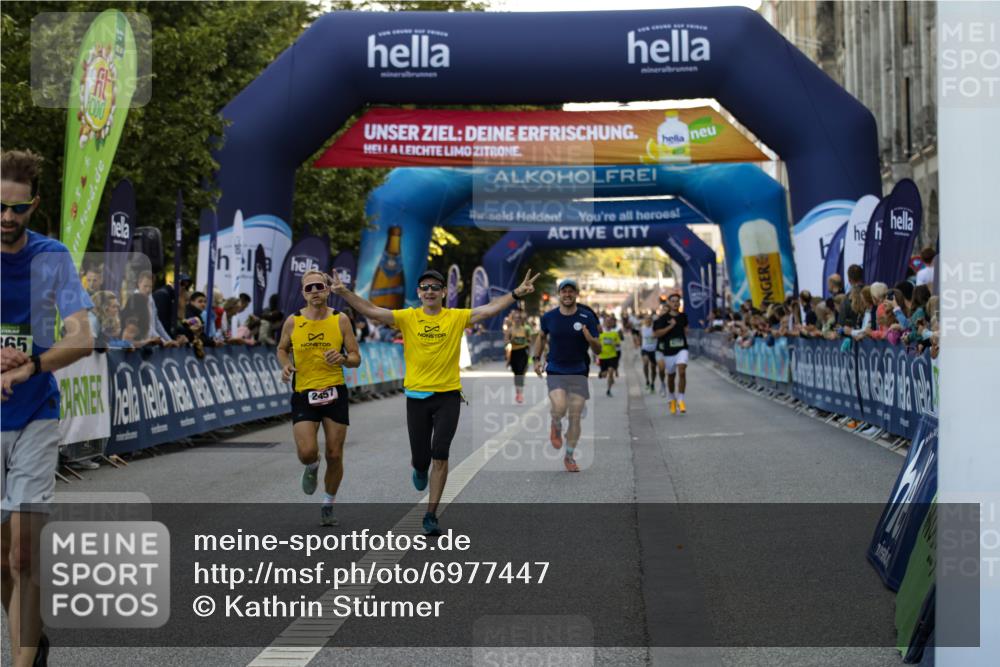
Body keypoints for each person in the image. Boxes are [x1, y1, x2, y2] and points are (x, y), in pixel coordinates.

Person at [332, 267, 539, 534]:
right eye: (425, 287)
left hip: (447, 396)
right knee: (421, 458)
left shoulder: (456, 317)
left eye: (435, 287)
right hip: (416, 397)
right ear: (419, 293)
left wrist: (514, 294)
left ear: (443, 292)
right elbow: (372, 311)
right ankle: (419, 468)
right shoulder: (407, 317)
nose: (429, 291)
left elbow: (487, 310)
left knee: (440, 454)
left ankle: (431, 515)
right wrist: (344, 292)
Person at [2, 149, 94, 666]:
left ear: (33, 205)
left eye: (17, 209)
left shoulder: (52, 256)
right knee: (0, 558)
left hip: (36, 413)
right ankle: (30, 640)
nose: (7, 218)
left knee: (24, 553)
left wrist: (30, 365)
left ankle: (20, 660)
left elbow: (82, 337)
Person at [276, 271, 361, 527]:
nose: (315, 291)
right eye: (309, 287)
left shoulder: (340, 319)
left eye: (319, 286)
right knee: (307, 451)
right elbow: (281, 348)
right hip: (304, 392)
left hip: (334, 391)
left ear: (327, 290)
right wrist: (285, 364)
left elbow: (356, 357)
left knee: (335, 454)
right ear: (303, 292)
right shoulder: (293, 321)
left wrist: (344, 358)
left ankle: (328, 502)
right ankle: (312, 467)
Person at [533, 278, 601, 473]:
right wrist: (536, 359)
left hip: (579, 370)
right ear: (559, 294)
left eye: (571, 291)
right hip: (555, 368)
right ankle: (555, 424)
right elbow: (541, 337)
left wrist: (590, 339)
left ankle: (569, 456)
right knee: (560, 406)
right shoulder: (549, 317)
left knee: (575, 415)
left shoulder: (587, 317)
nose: (568, 294)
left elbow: (599, 350)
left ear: (576, 294)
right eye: (564, 291)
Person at [652, 292, 689, 415]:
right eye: (672, 301)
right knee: (671, 377)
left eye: (677, 301)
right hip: (668, 352)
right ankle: (672, 397)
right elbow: (656, 334)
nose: (675, 303)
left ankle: (681, 399)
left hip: (682, 349)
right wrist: (670, 327)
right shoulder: (663, 319)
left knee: (682, 371)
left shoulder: (683, 316)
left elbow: (686, 329)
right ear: (668, 303)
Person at [504, 309, 533, 404]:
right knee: (516, 374)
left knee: (521, 372)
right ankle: (518, 392)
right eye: (515, 318)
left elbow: (529, 341)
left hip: (523, 352)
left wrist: (525, 342)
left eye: (518, 318)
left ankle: (520, 394)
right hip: (514, 353)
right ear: (513, 319)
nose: (517, 320)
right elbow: (506, 341)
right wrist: (511, 340)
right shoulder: (510, 330)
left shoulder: (525, 329)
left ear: (521, 320)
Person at [597, 314, 622, 397]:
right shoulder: (600, 333)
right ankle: (601, 373)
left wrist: (614, 343)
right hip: (603, 357)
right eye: (606, 322)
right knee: (604, 375)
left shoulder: (614, 333)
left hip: (612, 356)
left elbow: (618, 344)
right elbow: (596, 344)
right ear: (604, 323)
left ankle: (608, 390)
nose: (608, 323)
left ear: (612, 324)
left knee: (611, 372)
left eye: (609, 322)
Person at [639, 315, 658, 392]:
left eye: (650, 319)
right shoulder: (642, 329)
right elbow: (640, 337)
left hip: (654, 350)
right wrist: (640, 344)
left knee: (653, 368)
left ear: (652, 321)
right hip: (645, 349)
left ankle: (652, 383)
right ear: (644, 320)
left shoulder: (655, 328)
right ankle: (647, 380)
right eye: (647, 319)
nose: (648, 321)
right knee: (646, 363)